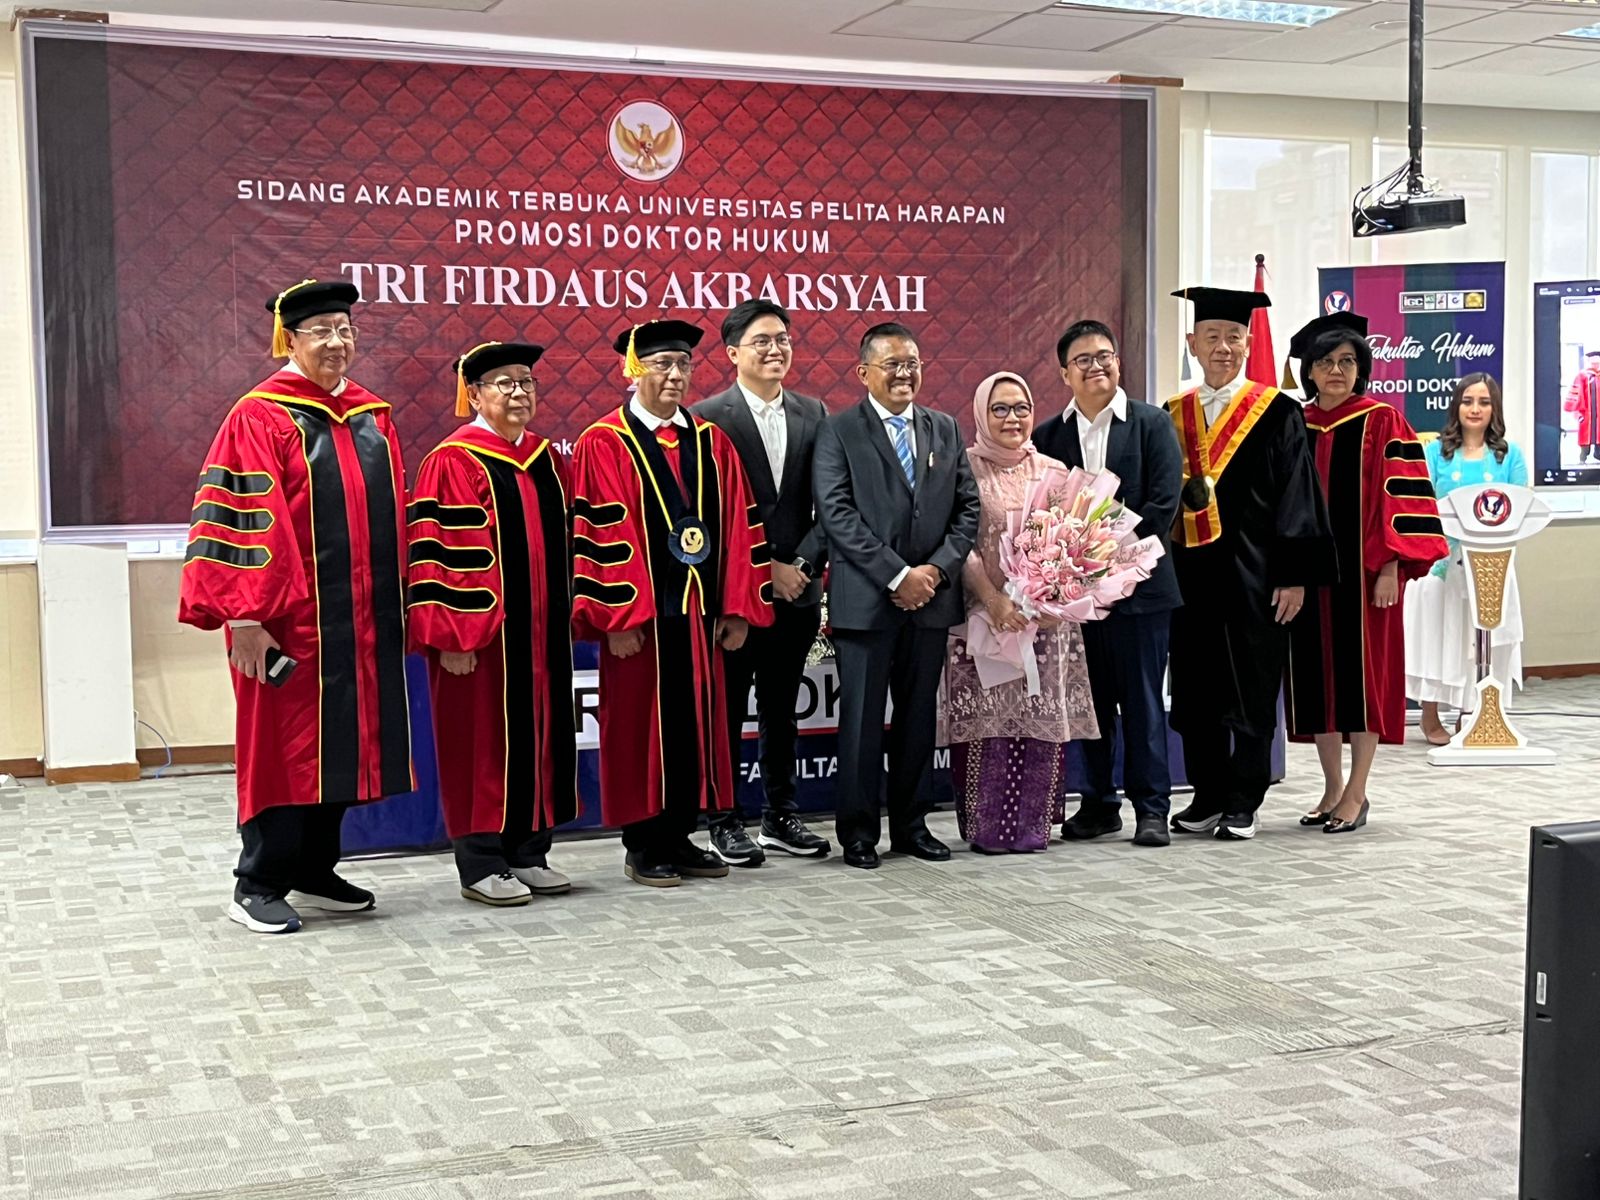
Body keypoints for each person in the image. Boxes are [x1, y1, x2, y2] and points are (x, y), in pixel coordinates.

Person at [179, 279, 411, 935]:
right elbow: (242, 519)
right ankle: (257, 883)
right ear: (289, 339)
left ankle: (314, 870)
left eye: (345, 330)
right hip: (287, 625)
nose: (337, 343)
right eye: (321, 332)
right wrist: (244, 619)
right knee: (284, 751)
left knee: (345, 748)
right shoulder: (260, 417)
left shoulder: (372, 417)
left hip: (361, 621)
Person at [568, 319, 774, 887]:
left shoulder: (711, 442)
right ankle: (643, 844)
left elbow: (739, 529)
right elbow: (602, 533)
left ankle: (681, 835)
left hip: (701, 619)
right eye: (662, 364)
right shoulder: (605, 442)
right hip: (641, 622)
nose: (676, 375)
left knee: (695, 730)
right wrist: (617, 618)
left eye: (683, 364)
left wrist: (737, 608)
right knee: (641, 731)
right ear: (634, 370)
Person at [407, 341, 577, 906]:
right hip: (480, 643)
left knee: (540, 737)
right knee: (480, 745)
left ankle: (528, 853)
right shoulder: (454, 461)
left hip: (542, 637)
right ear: (474, 395)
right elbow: (441, 557)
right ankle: (481, 862)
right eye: (504, 382)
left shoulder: (548, 460)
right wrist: (453, 636)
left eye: (526, 381)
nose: (518, 392)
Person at [1165, 287, 1336, 842]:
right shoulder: (1171, 414)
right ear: (1192, 343)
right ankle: (1207, 793)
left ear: (1248, 344)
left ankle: (1245, 798)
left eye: (1234, 337)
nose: (1223, 347)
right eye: (1212, 336)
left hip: (1256, 575)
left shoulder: (1279, 411)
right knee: (1196, 687)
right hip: (1190, 574)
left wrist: (1294, 574)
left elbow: (1299, 494)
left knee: (1252, 686)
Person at [813, 321, 981, 869]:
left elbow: (968, 510)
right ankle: (859, 834)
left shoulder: (944, 427)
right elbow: (836, 514)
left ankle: (911, 826)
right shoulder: (838, 430)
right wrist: (896, 575)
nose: (904, 374)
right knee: (861, 724)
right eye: (892, 365)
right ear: (864, 373)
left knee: (917, 720)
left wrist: (932, 572)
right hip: (866, 602)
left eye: (912, 364)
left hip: (931, 600)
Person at [1283, 314, 1448, 834]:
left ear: (1362, 370)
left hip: (1366, 577)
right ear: (1309, 370)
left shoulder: (1383, 421)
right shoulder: (1295, 423)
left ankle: (1357, 792)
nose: (1336, 370)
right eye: (1325, 362)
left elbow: (1401, 500)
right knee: (1318, 683)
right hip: (1309, 577)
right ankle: (1331, 787)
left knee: (1362, 682)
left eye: (1347, 361)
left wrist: (1391, 567)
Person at [1033, 319, 1183, 849]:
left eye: (1104, 356)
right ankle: (1098, 804)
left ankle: (1152, 808)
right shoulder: (1047, 437)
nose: (1096, 366)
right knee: (1087, 705)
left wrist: (1105, 554)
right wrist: (1071, 568)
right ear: (1064, 373)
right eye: (1083, 360)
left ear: (1118, 362)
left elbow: (1163, 503)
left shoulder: (1151, 423)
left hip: (1141, 591)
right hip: (1076, 597)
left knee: (1142, 704)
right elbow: (1042, 512)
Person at [692, 300, 833, 866]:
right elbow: (702, 516)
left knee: (782, 707)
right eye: (761, 341)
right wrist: (762, 568)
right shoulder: (706, 417)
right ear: (732, 353)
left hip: (798, 589)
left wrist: (802, 566)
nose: (776, 350)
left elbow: (832, 503)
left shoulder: (814, 412)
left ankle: (780, 815)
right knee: (727, 710)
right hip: (734, 594)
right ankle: (723, 820)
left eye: (782, 339)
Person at [939, 372, 1096, 853]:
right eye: (1000, 409)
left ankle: (1031, 827)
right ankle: (987, 828)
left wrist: (1053, 599)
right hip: (983, 619)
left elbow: (1074, 546)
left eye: (1021, 408)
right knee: (987, 723)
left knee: (1035, 719)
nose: (1013, 418)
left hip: (1043, 626)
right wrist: (993, 598)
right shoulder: (963, 468)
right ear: (981, 413)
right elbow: (957, 540)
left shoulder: (1054, 471)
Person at [1405, 373, 1529, 743]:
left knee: (1482, 640)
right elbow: (1421, 502)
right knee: (1436, 636)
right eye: (1468, 401)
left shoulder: (1509, 455)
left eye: (1484, 402)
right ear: (1456, 406)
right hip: (1439, 563)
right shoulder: (1435, 453)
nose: (1475, 409)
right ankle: (1429, 715)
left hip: (1491, 564)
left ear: (1495, 409)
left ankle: (1472, 713)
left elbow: (1520, 506)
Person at [1564, 349, 1600, 464]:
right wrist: (1576, 411)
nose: (1595, 364)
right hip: (1586, 412)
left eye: (1597, 362)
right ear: (1589, 362)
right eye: (1593, 362)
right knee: (1585, 437)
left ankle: (1598, 456)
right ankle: (1583, 458)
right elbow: (1576, 392)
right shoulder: (1582, 375)